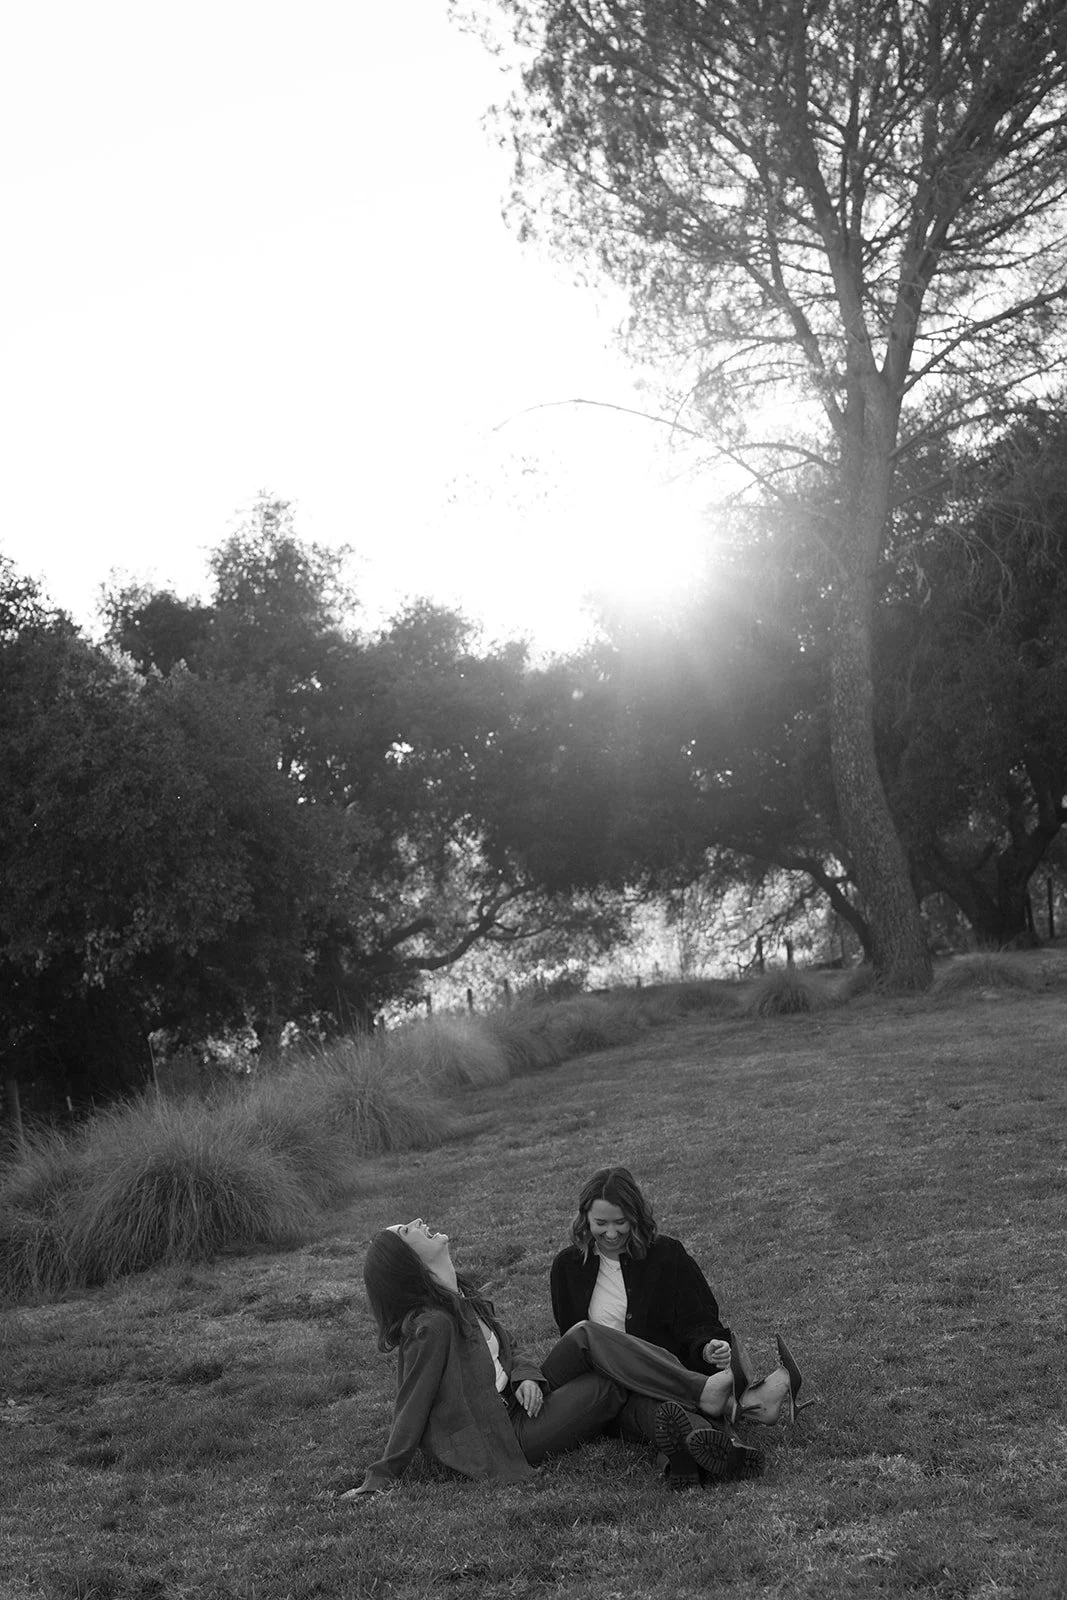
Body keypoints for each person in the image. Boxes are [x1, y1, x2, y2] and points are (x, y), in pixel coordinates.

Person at [341, 1216, 749, 1500]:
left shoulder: (460, 1299)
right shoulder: (432, 1326)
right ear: (407, 1261)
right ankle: (707, 1419)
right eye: (407, 1231)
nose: (418, 1224)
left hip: (519, 1399)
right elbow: (410, 1403)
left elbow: (507, 1354)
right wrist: (379, 1478)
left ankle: (702, 1407)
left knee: (585, 1335)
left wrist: (526, 1377)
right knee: (611, 1381)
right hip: (507, 1435)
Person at [549, 1167, 806, 1480]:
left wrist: (707, 1348)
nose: (612, 1233)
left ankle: (703, 1456)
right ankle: (737, 1413)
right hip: (609, 1385)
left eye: (621, 1222)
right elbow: (572, 1338)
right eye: (601, 1223)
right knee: (645, 1401)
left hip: (664, 1379)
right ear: (585, 1218)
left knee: (662, 1412)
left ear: (637, 1216)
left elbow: (699, 1319)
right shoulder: (568, 1267)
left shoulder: (667, 1256)